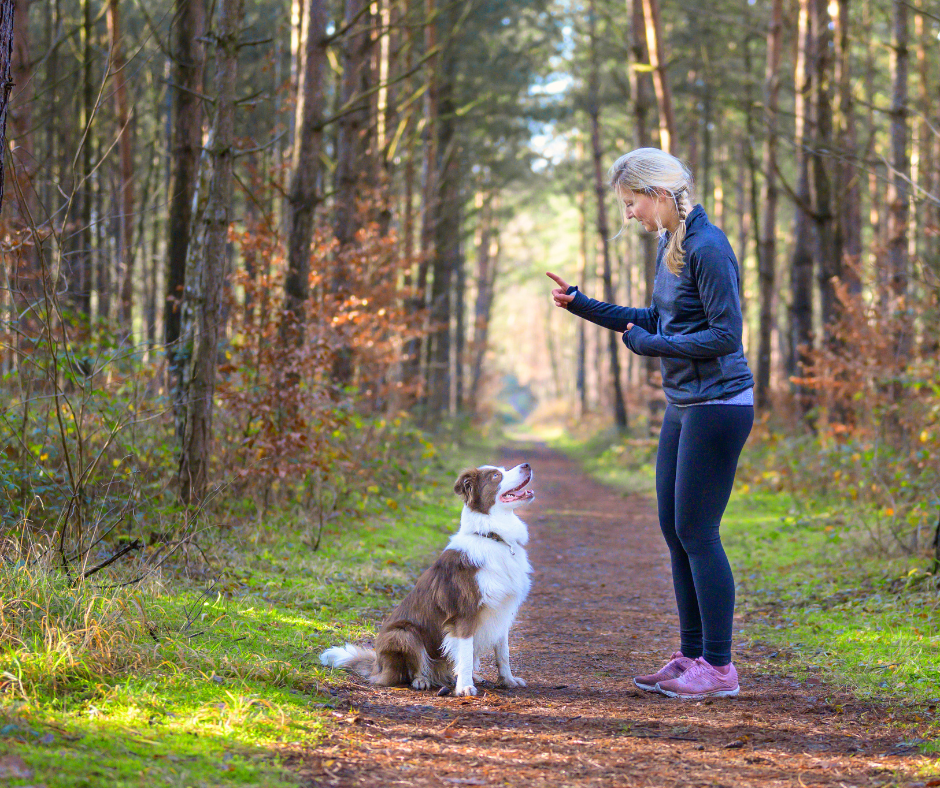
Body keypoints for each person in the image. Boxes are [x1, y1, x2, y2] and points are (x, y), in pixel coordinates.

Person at [547, 147, 754, 700]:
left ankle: (720, 667)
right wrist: (582, 305)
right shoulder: (674, 242)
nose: (630, 213)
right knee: (674, 529)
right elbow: (657, 319)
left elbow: (725, 335)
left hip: (719, 404)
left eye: (632, 201)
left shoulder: (708, 247)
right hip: (685, 402)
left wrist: (652, 345)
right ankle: (690, 656)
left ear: (659, 194)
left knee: (698, 532)